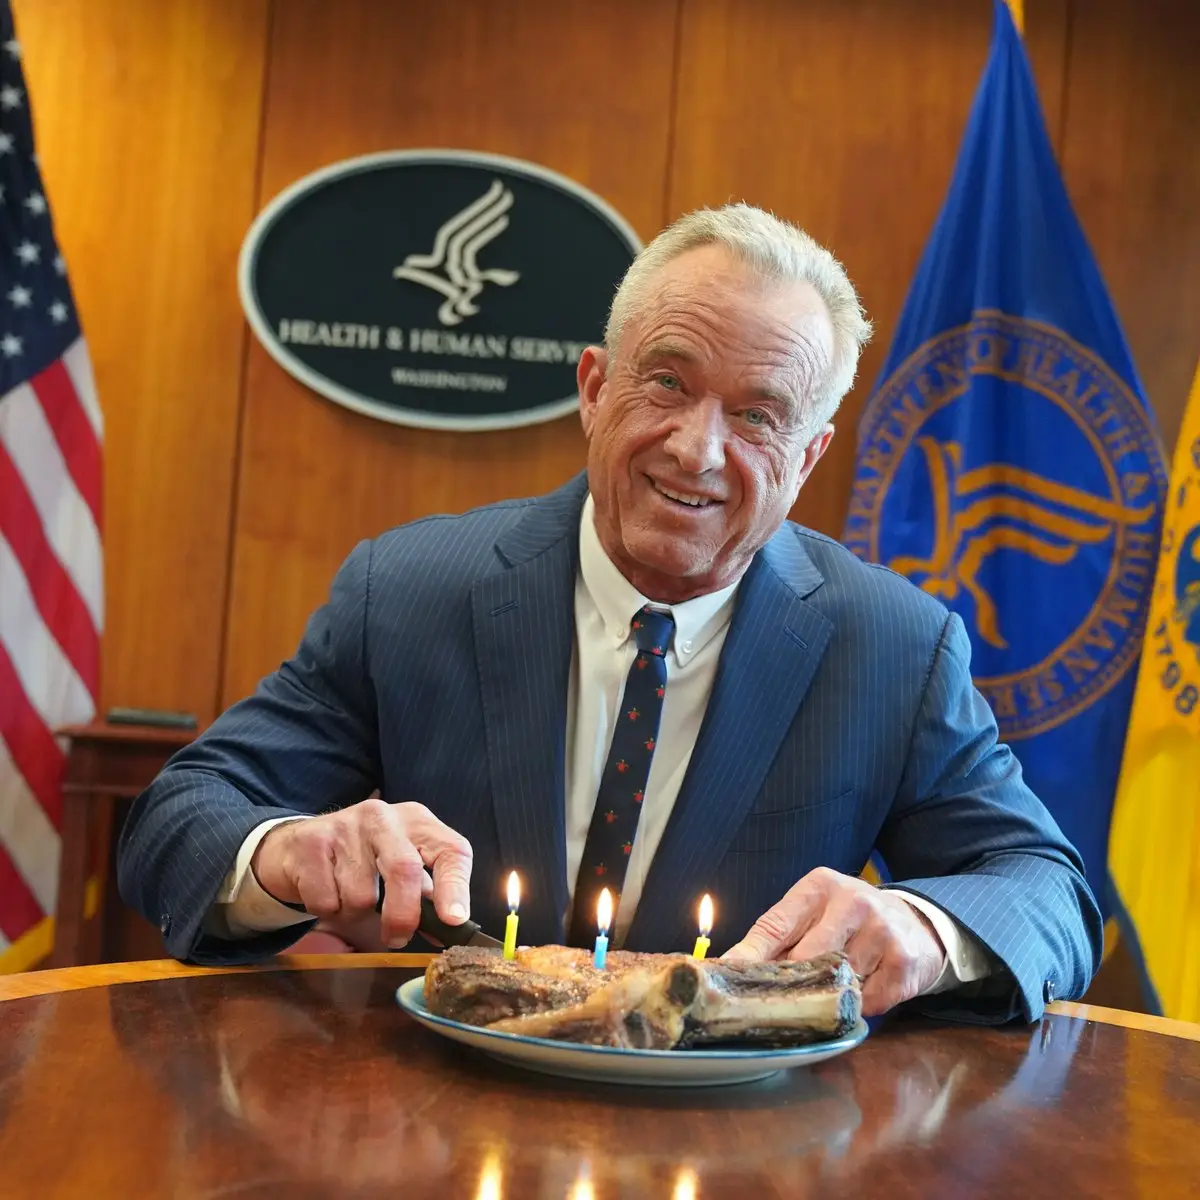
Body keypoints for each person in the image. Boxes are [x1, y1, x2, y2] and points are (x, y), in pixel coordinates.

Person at [117, 204, 1102, 1021]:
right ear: (594, 388)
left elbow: (1046, 892)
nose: (696, 450)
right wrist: (288, 854)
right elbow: (181, 819)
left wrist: (928, 929)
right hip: (436, 1121)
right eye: (666, 382)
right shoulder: (411, 590)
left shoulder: (893, 646)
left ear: (807, 460)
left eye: (758, 416)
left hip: (740, 1151)